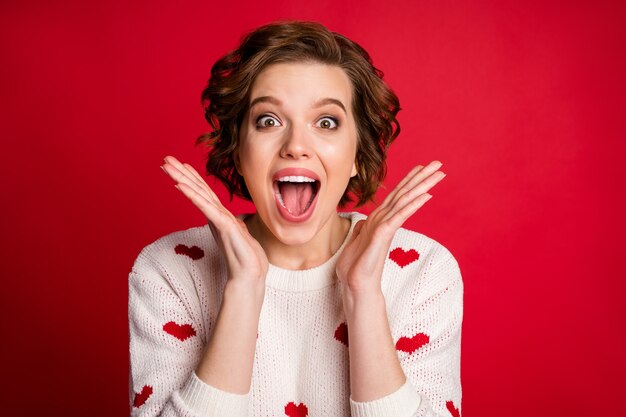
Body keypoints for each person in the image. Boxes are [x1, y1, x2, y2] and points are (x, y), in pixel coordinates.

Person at [128, 20, 463, 417]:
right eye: (268, 120)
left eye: (326, 122)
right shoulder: (169, 270)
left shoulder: (422, 270)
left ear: (357, 154)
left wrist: (362, 296)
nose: (296, 146)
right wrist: (243, 289)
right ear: (238, 150)